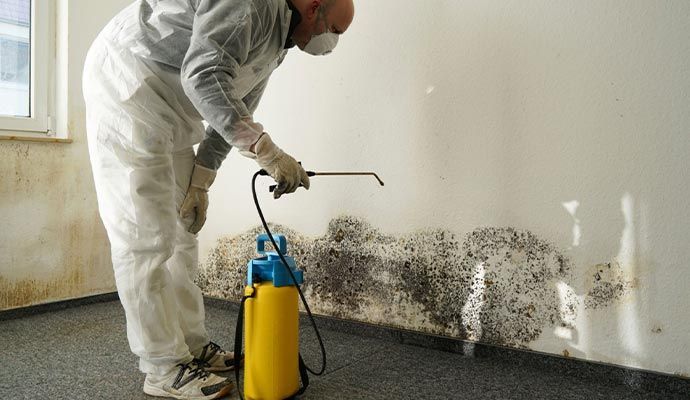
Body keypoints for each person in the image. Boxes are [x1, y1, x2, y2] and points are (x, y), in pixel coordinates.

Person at [82, 0, 354, 398]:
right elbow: (203, 76)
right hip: (129, 85)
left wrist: (201, 182)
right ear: (313, 8)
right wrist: (267, 151)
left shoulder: (278, 43)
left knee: (182, 232)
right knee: (146, 239)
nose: (330, 43)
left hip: (172, 109)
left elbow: (233, 109)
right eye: (335, 30)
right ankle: (162, 366)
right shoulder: (249, 4)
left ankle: (192, 346)